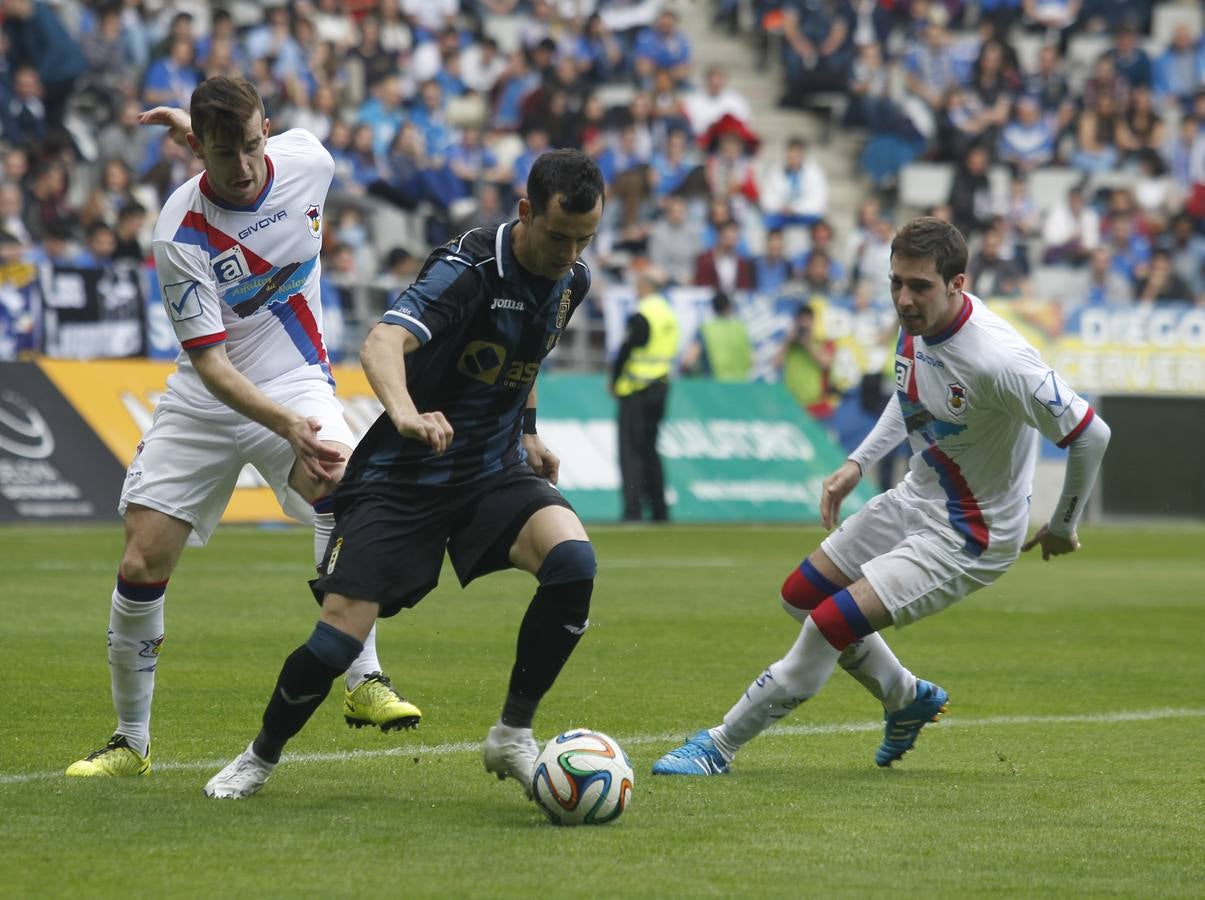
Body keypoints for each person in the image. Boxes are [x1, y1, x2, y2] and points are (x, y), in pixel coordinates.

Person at [202, 149, 606, 801]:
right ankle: (260, 755)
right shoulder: (468, 268)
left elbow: (526, 355)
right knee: (335, 643)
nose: (570, 254)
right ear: (527, 212)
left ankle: (512, 734)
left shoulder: (572, 279)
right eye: (560, 237)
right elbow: (382, 341)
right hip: (402, 477)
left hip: (490, 471)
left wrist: (528, 431)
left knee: (574, 565)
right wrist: (406, 413)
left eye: (585, 239)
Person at [651, 217, 1110, 776]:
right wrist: (857, 462)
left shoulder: (999, 359)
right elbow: (910, 390)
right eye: (897, 282)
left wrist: (1062, 524)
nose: (904, 299)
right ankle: (905, 697)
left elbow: (1091, 432)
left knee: (828, 624)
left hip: (971, 533)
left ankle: (719, 746)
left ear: (957, 285)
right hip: (916, 497)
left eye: (919, 286)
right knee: (800, 597)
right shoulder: (916, 324)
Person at [66, 77, 417, 779]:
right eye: (225, 153)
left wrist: (295, 418)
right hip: (207, 396)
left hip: (294, 377)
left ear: (269, 131)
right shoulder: (179, 231)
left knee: (345, 486)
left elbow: (255, 147)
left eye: (253, 145)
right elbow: (212, 365)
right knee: (141, 561)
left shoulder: (310, 160)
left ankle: (364, 680)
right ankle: (130, 742)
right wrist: (286, 426)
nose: (246, 166)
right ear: (198, 149)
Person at [611, 266, 680, 523]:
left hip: (636, 390)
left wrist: (614, 380)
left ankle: (633, 510)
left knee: (631, 452)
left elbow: (626, 349)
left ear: (644, 286)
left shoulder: (643, 313)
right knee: (651, 451)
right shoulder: (668, 313)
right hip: (661, 387)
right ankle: (660, 510)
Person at [680, 291, 752, 382]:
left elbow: (689, 360)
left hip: (714, 386)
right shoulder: (740, 329)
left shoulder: (705, 329)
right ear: (729, 307)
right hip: (740, 384)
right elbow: (751, 360)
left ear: (713, 308)